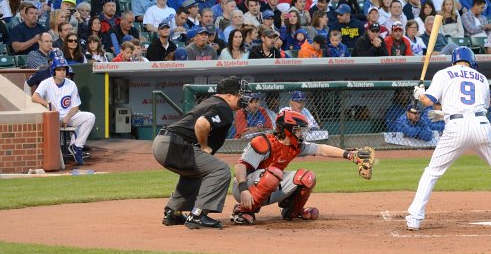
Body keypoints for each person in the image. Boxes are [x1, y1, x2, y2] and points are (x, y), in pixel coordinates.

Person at [407, 47, 491, 231]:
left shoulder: (444, 73)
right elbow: (478, 106)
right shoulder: (481, 78)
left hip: (456, 127)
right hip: (482, 125)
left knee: (432, 172)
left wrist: (420, 94)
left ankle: (414, 218)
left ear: (454, 60)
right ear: (471, 61)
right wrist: (444, 113)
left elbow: (428, 101)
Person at [230, 109, 370, 225]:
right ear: (288, 130)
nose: (301, 133)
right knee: (274, 173)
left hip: (270, 181)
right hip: (243, 187)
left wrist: (350, 155)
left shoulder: (296, 145)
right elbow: (240, 167)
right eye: (298, 130)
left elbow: (321, 149)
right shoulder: (263, 142)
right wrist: (243, 190)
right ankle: (243, 211)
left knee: (307, 177)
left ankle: (293, 212)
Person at [152, 76, 250, 229]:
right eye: (240, 95)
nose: (243, 98)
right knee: (220, 170)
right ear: (229, 96)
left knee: (196, 173)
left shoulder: (212, 102)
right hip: (175, 145)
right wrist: (204, 146)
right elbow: (202, 124)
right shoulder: (223, 107)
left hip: (164, 143)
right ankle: (198, 215)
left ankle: (173, 212)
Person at [30, 57, 96, 166]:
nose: (62, 72)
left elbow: (75, 106)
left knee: (89, 117)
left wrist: (67, 117)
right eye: (59, 69)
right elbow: (34, 97)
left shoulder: (71, 84)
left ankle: (76, 146)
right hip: (53, 117)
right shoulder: (46, 82)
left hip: (68, 116)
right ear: (53, 71)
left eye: (64, 70)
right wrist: (47, 103)